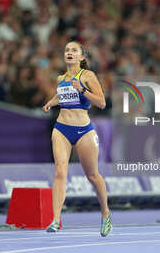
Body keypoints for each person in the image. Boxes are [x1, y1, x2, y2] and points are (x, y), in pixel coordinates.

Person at [42, 41, 112, 237]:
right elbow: (61, 95)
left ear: (82, 57)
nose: (69, 53)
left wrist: (82, 89)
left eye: (74, 50)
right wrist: (50, 103)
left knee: (92, 175)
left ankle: (105, 212)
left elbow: (102, 103)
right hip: (61, 128)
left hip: (84, 131)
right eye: (66, 50)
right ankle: (55, 220)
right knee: (60, 171)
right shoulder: (60, 78)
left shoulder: (88, 76)